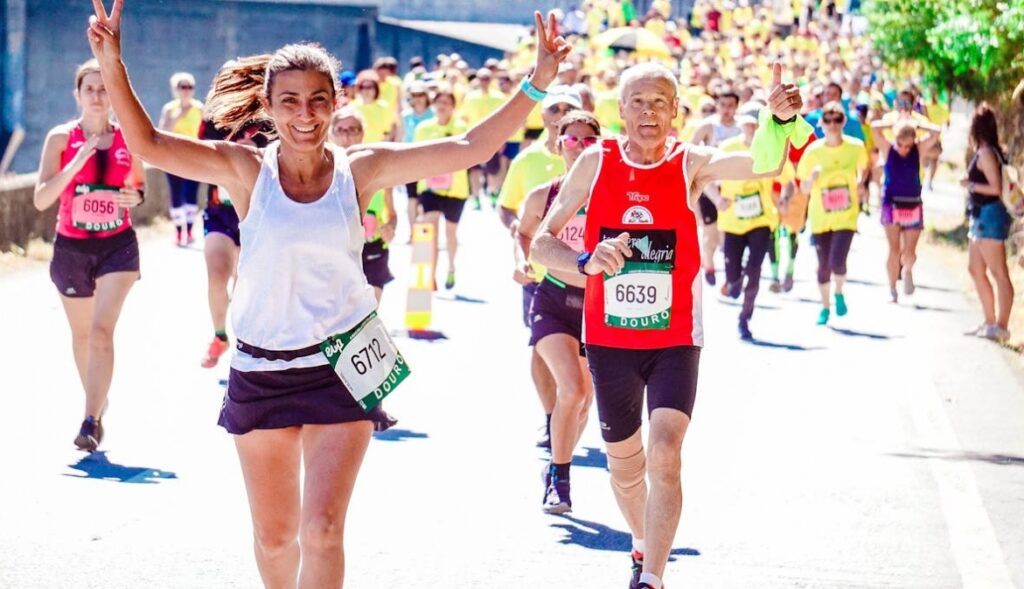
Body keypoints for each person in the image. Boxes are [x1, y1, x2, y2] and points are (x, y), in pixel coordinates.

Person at [86, 4, 569, 587]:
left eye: (318, 100)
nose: (305, 115)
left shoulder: (361, 169)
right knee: (275, 536)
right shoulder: (244, 169)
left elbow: (468, 146)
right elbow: (149, 143)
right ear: (268, 108)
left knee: (322, 530)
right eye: (289, 101)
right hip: (261, 372)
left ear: (337, 102)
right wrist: (113, 64)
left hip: (341, 369)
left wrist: (538, 81)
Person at [531, 62, 802, 589]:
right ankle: (641, 543)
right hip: (609, 339)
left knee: (665, 453)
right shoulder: (595, 161)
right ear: (621, 111)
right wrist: (586, 259)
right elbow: (543, 241)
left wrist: (779, 121)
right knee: (625, 468)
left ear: (676, 112)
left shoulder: (688, 163)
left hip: (676, 337)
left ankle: (651, 577)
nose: (648, 112)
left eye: (659, 102)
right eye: (637, 102)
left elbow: (761, 165)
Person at [33, 57, 145, 451]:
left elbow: (140, 188)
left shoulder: (130, 138)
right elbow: (42, 198)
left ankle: (90, 419)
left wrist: (135, 196)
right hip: (71, 248)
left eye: (104, 89)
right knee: (82, 336)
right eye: (90, 89)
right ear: (77, 95)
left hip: (117, 246)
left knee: (100, 330)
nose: (98, 96)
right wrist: (76, 164)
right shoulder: (61, 139)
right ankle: (98, 400)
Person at [515, 110, 600, 513]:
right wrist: (521, 261)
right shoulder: (544, 196)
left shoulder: (612, 196)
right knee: (575, 389)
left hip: (599, 308)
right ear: (558, 145)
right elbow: (524, 233)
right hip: (553, 299)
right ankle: (560, 479)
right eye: (572, 140)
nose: (579, 147)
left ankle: (555, 464)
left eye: (588, 141)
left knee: (582, 403)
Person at [498, 85, 583, 449]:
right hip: (539, 270)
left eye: (569, 108)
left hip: (584, 274)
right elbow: (506, 208)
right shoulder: (527, 161)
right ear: (544, 117)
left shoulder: (595, 157)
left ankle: (570, 414)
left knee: (581, 362)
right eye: (554, 109)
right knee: (538, 348)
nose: (559, 113)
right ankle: (552, 417)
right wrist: (521, 239)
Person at [797, 101, 868, 325]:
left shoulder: (856, 147)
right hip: (820, 216)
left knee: (838, 260)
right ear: (821, 123)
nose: (832, 124)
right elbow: (803, 188)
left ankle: (839, 292)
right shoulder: (813, 151)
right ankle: (825, 307)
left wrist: (860, 183)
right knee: (823, 264)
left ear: (843, 121)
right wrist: (812, 179)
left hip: (846, 215)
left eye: (837, 119)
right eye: (828, 120)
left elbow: (864, 170)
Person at [716, 115, 782, 339]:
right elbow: (708, 177)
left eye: (756, 123)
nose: (752, 127)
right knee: (734, 277)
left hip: (761, 219)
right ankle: (733, 282)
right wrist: (717, 199)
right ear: (740, 124)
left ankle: (744, 318)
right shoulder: (727, 147)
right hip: (733, 221)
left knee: (754, 271)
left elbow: (787, 175)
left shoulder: (769, 148)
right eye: (748, 122)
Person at [330, 107, 397, 303]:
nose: (346, 136)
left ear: (362, 133)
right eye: (341, 130)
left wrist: (391, 227)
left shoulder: (378, 169)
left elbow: (392, 214)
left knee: (371, 313)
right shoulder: (321, 171)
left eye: (353, 129)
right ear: (331, 134)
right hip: (337, 252)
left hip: (373, 248)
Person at [869, 118, 940, 302]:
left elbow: (936, 132)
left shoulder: (919, 149)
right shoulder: (888, 148)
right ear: (896, 139)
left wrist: (917, 125)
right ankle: (892, 288)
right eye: (901, 144)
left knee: (909, 251)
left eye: (908, 145)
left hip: (913, 203)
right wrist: (896, 124)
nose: (904, 149)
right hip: (891, 203)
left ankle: (907, 270)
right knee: (893, 250)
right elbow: (874, 127)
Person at [963, 103, 1014, 342]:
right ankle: (990, 321)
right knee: (975, 269)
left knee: (999, 273)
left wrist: (970, 185)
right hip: (980, 216)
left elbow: (994, 188)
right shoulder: (989, 150)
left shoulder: (985, 152)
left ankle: (1001, 326)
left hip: (989, 216)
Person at [414, 86, 470, 290]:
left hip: (456, 188)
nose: (442, 106)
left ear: (453, 107)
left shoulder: (461, 127)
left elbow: (467, 153)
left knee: (450, 233)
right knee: (429, 227)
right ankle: (429, 275)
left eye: (447, 103)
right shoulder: (424, 129)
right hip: (429, 186)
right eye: (439, 102)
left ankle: (451, 268)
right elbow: (417, 155)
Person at [690, 89, 743, 286]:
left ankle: (732, 272)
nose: (726, 110)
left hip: (735, 186)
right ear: (717, 105)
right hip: (710, 186)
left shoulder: (742, 127)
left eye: (730, 106)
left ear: (736, 106)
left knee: (730, 234)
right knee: (710, 232)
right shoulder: (708, 126)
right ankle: (709, 265)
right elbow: (690, 150)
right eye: (723, 105)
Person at [158, 71, 203, 245]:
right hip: (173, 158)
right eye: (182, 87)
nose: (186, 90)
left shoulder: (200, 108)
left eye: (189, 87)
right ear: (175, 89)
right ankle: (178, 232)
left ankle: (190, 231)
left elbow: (204, 133)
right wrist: (180, 114)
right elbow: (162, 132)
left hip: (194, 157)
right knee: (176, 194)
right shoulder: (169, 109)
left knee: (191, 193)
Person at [400, 80, 434, 240]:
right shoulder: (405, 116)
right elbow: (400, 137)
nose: (418, 98)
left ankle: (424, 232)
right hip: (409, 160)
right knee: (411, 198)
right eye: (414, 95)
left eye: (421, 94)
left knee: (425, 198)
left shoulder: (433, 114)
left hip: (428, 161)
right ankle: (412, 232)